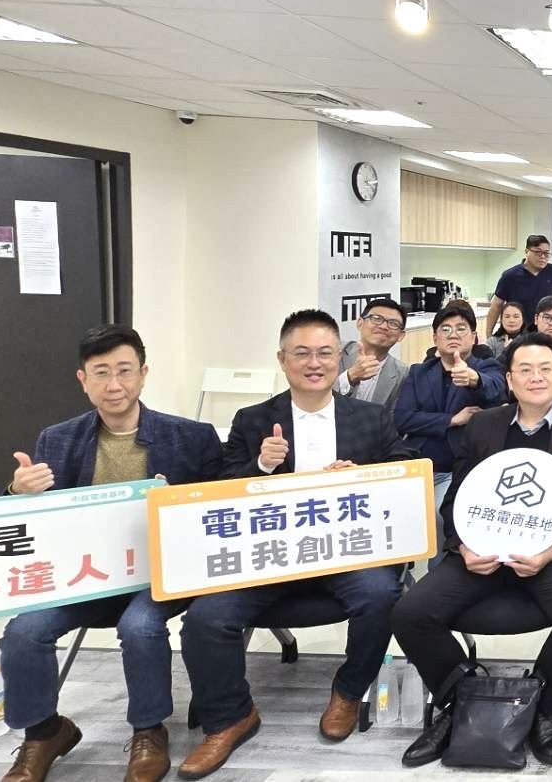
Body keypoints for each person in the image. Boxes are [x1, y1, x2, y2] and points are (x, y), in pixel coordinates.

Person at [178, 309, 418, 780]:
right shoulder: (253, 420)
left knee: (381, 595)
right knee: (205, 617)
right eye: (302, 353)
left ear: (339, 359)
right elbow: (219, 490)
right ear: (282, 360)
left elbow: (405, 466)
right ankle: (230, 716)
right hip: (267, 557)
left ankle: (348, 692)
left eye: (325, 353)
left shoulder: (370, 418)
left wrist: (365, 476)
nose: (314, 363)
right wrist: (261, 468)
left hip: (347, 553)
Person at [0, 325, 223, 782]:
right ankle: (44, 733)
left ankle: (149, 730)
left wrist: (176, 504)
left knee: (139, 626)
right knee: (24, 631)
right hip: (86, 575)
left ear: (143, 374)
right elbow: (31, 527)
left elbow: (219, 513)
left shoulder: (191, 437)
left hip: (160, 574)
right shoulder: (57, 440)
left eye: (124, 371)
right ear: (83, 380)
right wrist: (18, 492)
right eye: (101, 373)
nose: (114, 384)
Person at [392, 333, 552, 769]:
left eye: (546, 369)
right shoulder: (483, 426)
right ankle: (460, 703)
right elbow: (456, 499)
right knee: (409, 612)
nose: (537, 377)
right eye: (525, 370)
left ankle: (541, 709)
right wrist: (462, 546)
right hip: (483, 551)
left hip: (550, 554)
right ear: (509, 380)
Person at [392, 303, 507, 523]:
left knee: (439, 515)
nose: (453, 334)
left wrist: (473, 379)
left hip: (461, 468)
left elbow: (495, 387)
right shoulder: (419, 372)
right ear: (435, 338)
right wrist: (452, 420)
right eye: (445, 329)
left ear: (473, 337)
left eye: (461, 328)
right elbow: (402, 418)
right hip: (419, 464)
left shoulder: (487, 367)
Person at [486, 234, 552, 339]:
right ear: (526, 251)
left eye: (546, 253)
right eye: (538, 252)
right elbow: (496, 305)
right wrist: (489, 334)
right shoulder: (510, 276)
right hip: (517, 335)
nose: (543, 257)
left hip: (546, 333)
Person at [335, 297, 408, 412]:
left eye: (393, 323)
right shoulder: (334, 352)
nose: (384, 327)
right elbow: (313, 397)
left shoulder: (403, 373)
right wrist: (350, 377)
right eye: (376, 319)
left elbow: (394, 416)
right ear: (360, 323)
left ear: (401, 336)